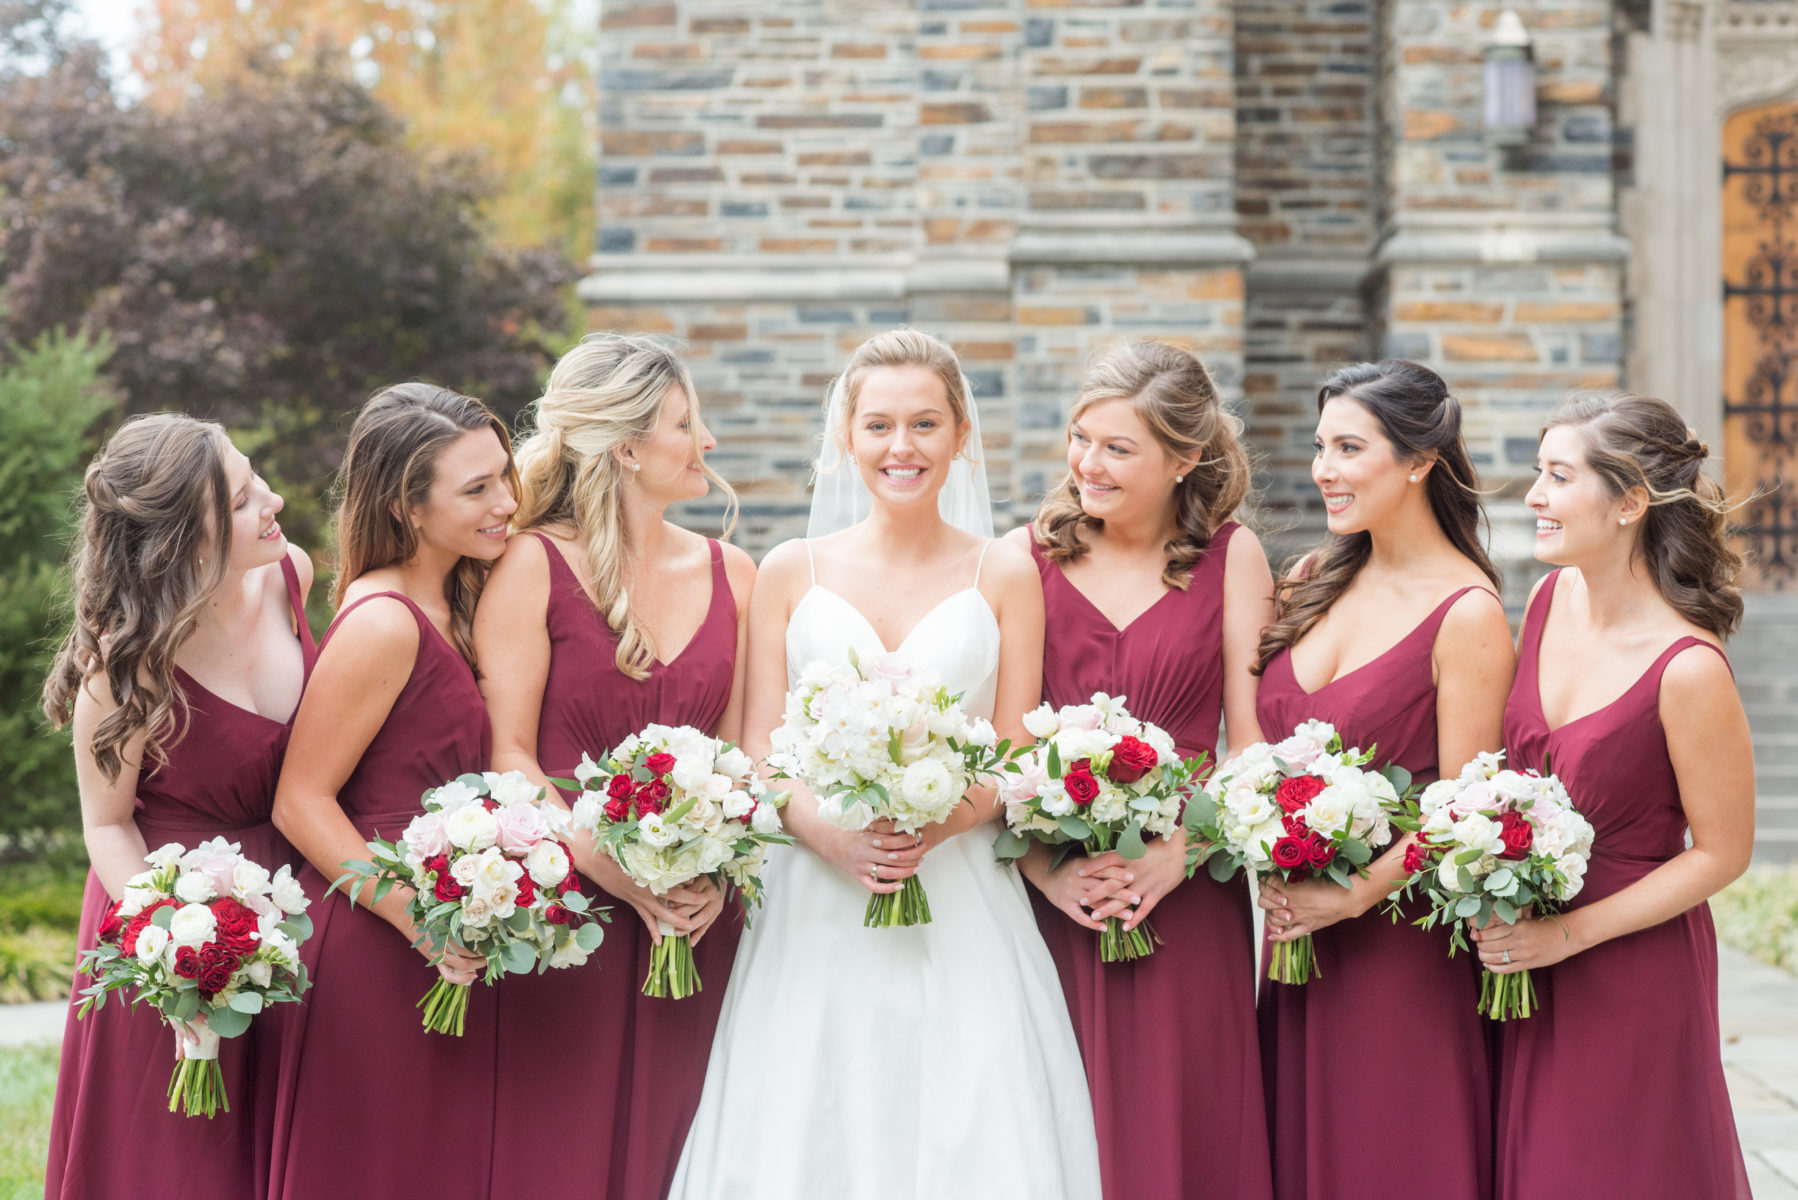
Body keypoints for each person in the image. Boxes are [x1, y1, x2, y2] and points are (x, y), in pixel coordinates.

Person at [670, 330, 1101, 1199]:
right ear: (845, 438)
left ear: (960, 437)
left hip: (961, 888)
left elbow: (1017, 748)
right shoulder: (790, 571)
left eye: (924, 424)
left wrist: (937, 820)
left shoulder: (1006, 571)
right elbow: (756, 747)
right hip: (818, 895)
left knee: (967, 1111)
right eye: (878, 426)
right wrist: (828, 834)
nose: (901, 448)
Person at [477, 334, 755, 1198]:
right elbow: (508, 753)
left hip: (700, 924)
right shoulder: (532, 565)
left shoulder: (736, 573)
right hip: (571, 917)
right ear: (627, 446)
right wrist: (606, 863)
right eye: (686, 422)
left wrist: (715, 874)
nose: (706, 442)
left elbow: (744, 764)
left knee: (689, 1150)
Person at [1008, 340, 1276, 1199]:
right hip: (1057, 900)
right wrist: (1053, 877)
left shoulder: (1234, 559)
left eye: (1118, 448)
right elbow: (1007, 747)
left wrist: (1179, 855)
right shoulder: (1026, 560)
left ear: (1184, 458)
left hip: (1185, 900)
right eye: (1082, 437)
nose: (1088, 463)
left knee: (1184, 1134)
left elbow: (1255, 746)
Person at [1253, 360, 1515, 1200]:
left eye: (1348, 447)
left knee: (1391, 1161)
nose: (1322, 469)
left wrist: (1354, 894)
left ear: (1418, 461)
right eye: (1319, 446)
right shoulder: (1307, 581)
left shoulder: (1468, 614)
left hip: (1398, 951)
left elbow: (1466, 809)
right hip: (1294, 936)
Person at [1483, 393, 1753, 1200]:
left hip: (1629, 967)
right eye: (1539, 472)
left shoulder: (1688, 666)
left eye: (1558, 476)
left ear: (1631, 502)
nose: (1533, 495)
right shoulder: (1545, 602)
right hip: (1525, 949)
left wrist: (1569, 936)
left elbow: (1723, 853)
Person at [43, 414, 314, 1200]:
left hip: (289, 914)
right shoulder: (122, 666)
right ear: (182, 542)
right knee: (174, 1163)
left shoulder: (290, 572)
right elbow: (106, 822)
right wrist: (174, 956)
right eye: (239, 499)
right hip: (171, 919)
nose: (273, 498)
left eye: (253, 473)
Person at [267, 384, 516, 1200]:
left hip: (448, 929)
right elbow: (300, 800)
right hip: (378, 937)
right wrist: (417, 917)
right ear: (408, 507)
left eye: (504, 477)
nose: (506, 502)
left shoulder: (462, 596)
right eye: (476, 489)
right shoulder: (383, 621)